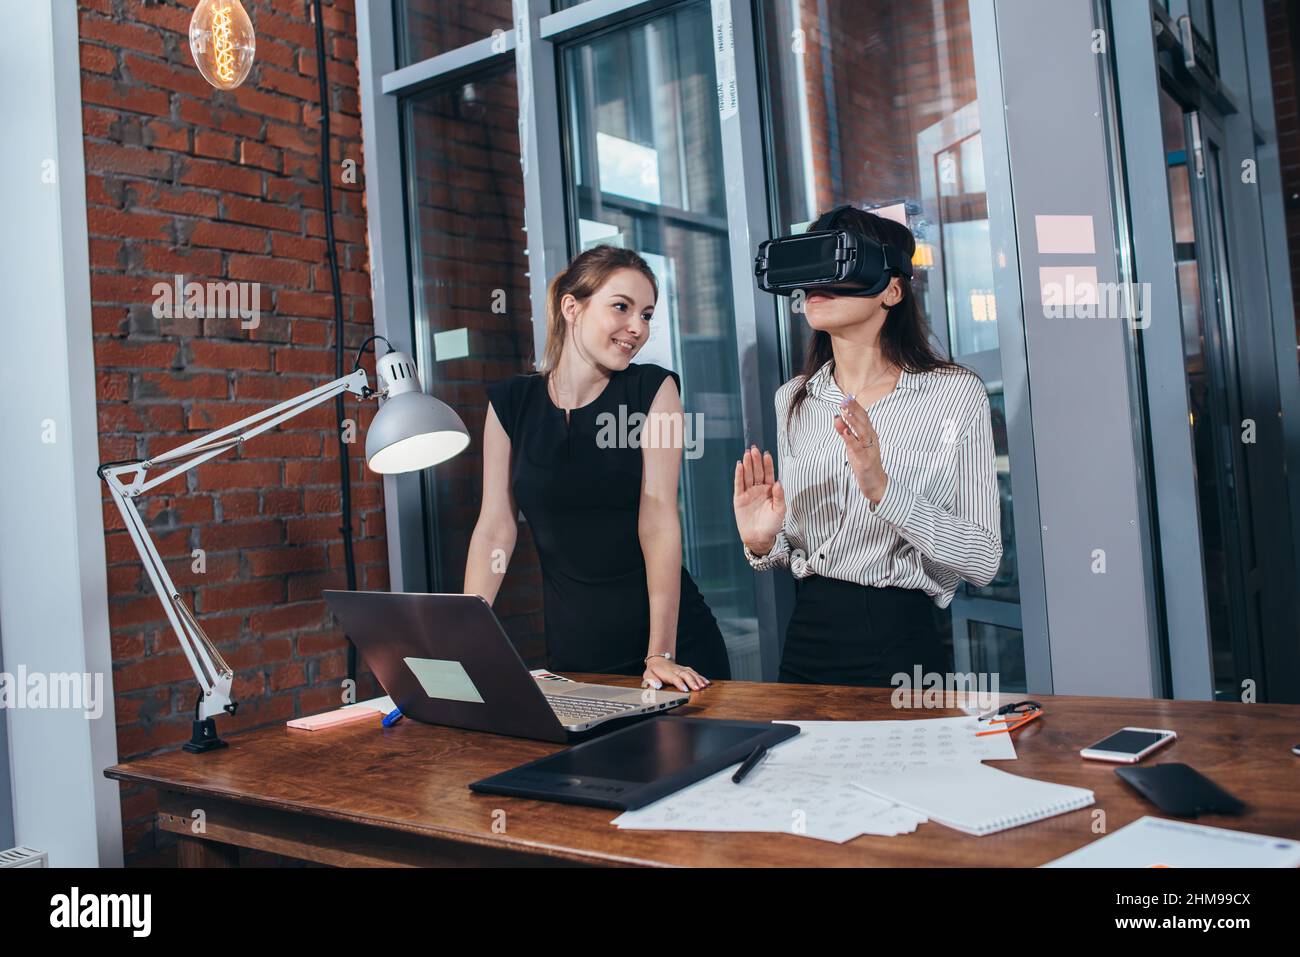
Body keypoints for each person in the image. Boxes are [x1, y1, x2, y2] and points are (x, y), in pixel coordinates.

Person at [734, 206, 1002, 686]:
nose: (817, 283)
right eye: (808, 267)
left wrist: (885, 492)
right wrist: (762, 542)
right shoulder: (794, 400)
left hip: (901, 640)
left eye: (835, 262)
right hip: (808, 637)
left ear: (892, 290)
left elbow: (983, 559)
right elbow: (790, 546)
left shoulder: (953, 393)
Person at [465, 245, 731, 692]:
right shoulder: (511, 404)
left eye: (646, 315)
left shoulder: (655, 390)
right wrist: (465, 635)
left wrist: (660, 652)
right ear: (573, 307)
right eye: (621, 308)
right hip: (575, 656)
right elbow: (495, 527)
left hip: (670, 650)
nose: (637, 328)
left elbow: (660, 518)